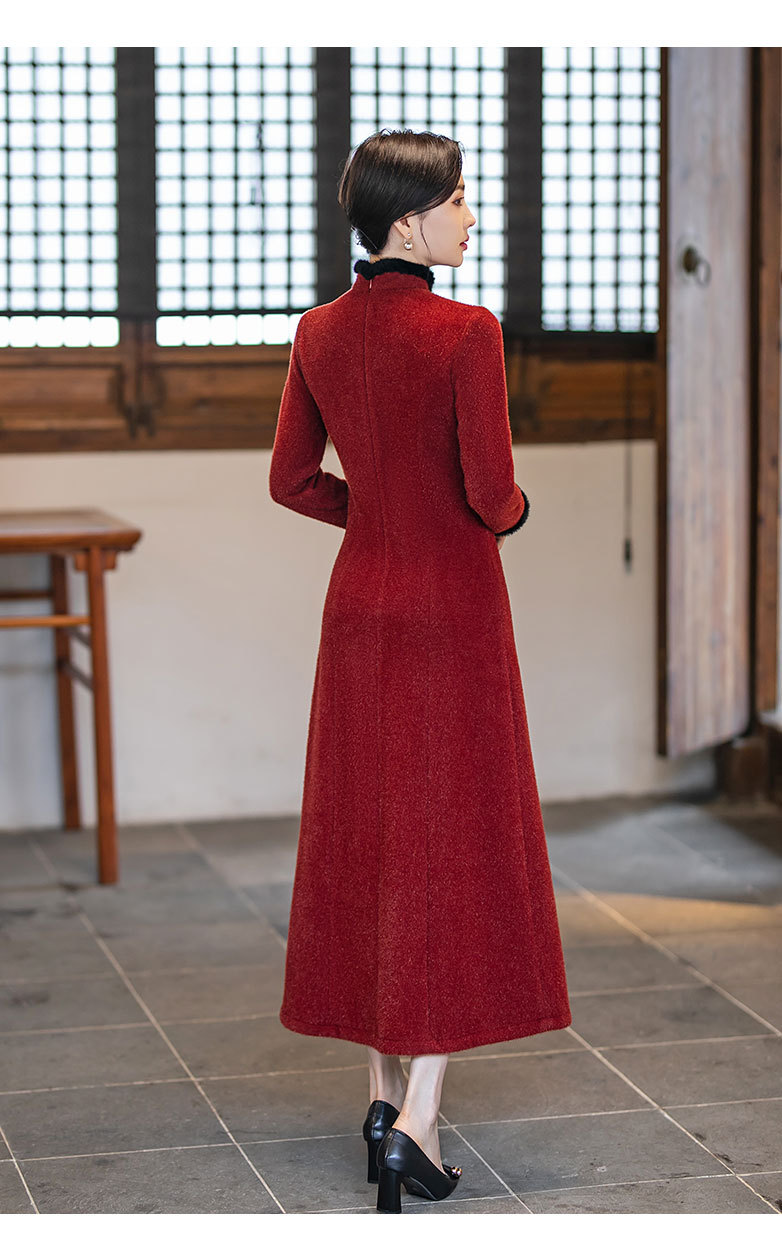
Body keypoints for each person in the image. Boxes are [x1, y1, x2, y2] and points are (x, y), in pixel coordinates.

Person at [269, 128, 572, 1213]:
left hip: (359, 606)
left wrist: (377, 512)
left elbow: (291, 480)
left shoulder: (317, 331)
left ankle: (376, 1095)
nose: (469, 217)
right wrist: (514, 513)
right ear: (409, 221)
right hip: (451, 611)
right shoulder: (466, 332)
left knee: (369, 834)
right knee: (451, 838)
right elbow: (492, 492)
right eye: (457, 200)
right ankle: (419, 1117)